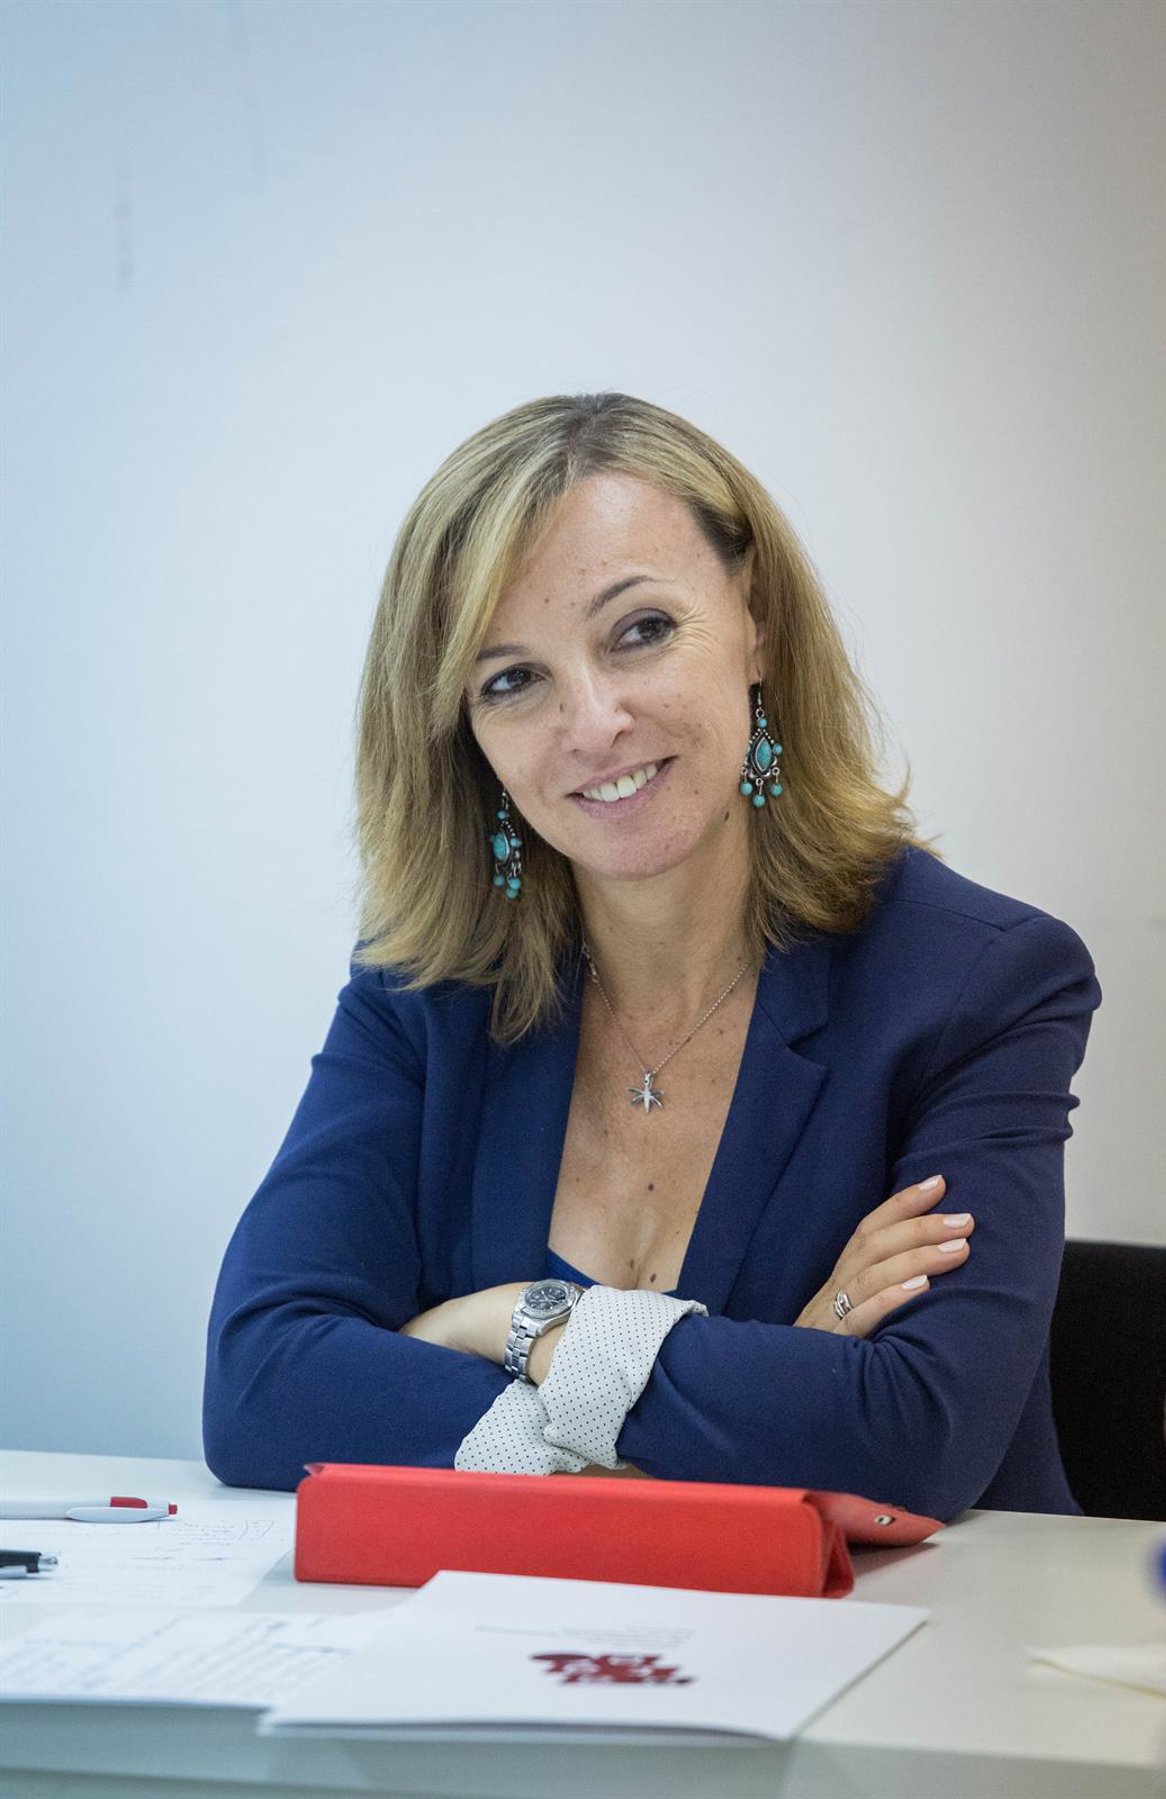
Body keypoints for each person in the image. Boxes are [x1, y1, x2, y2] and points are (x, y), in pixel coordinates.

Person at [203, 392, 1101, 1515]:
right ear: (466, 736)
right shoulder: (427, 989)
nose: (593, 724)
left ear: (755, 618)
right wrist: (770, 1377)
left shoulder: (976, 983)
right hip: (532, 1620)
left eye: (640, 631)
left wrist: (505, 1323)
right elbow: (258, 1386)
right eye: (512, 679)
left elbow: (914, 1441)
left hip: (925, 1623)